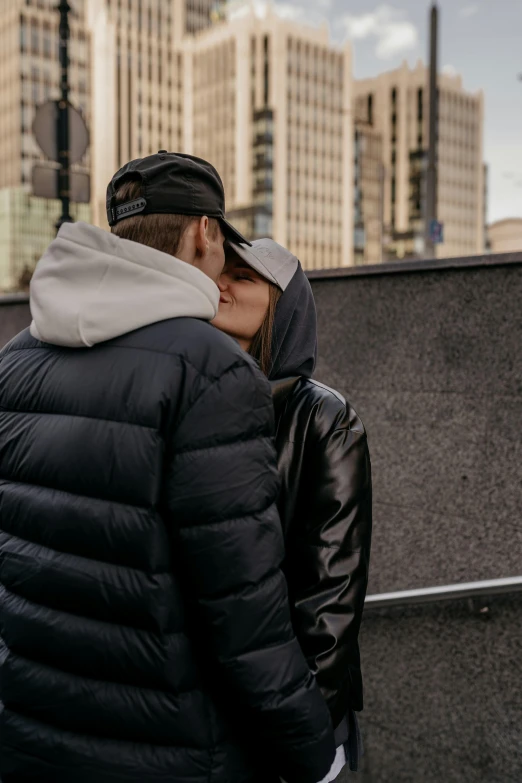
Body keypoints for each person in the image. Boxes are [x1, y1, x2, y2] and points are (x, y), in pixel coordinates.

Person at [0, 153, 336, 783]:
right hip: (169, 751)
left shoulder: (16, 359)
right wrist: (316, 753)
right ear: (206, 232)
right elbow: (244, 610)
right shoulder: (211, 370)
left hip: (30, 737)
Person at [213, 239, 373, 782]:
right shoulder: (197, 396)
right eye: (218, 270)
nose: (220, 284)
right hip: (214, 712)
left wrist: (304, 724)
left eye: (243, 277)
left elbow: (332, 593)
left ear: (284, 304)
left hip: (298, 708)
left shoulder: (324, 416)